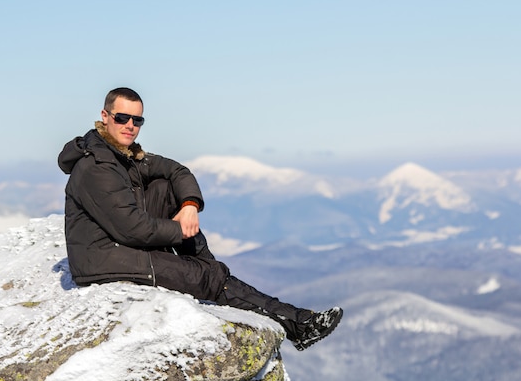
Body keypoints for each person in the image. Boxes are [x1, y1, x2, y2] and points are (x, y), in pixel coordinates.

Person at [57, 87, 343, 351]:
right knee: (207, 276)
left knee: (165, 188)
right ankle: (297, 325)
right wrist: (179, 229)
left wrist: (190, 205)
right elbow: (133, 230)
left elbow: (177, 171)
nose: (130, 125)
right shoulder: (98, 167)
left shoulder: (121, 154)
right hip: (106, 259)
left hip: (121, 245)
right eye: (122, 118)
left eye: (137, 120)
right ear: (105, 117)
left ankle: (212, 274)